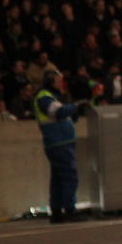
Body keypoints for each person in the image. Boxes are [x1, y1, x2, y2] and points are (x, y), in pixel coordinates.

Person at [33, 69, 86, 223]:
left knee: (57, 179)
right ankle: (69, 210)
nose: (62, 84)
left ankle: (56, 211)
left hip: (59, 142)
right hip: (59, 142)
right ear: (51, 82)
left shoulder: (52, 96)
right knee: (69, 176)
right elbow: (58, 113)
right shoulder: (44, 96)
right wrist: (74, 107)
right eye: (58, 81)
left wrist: (72, 111)